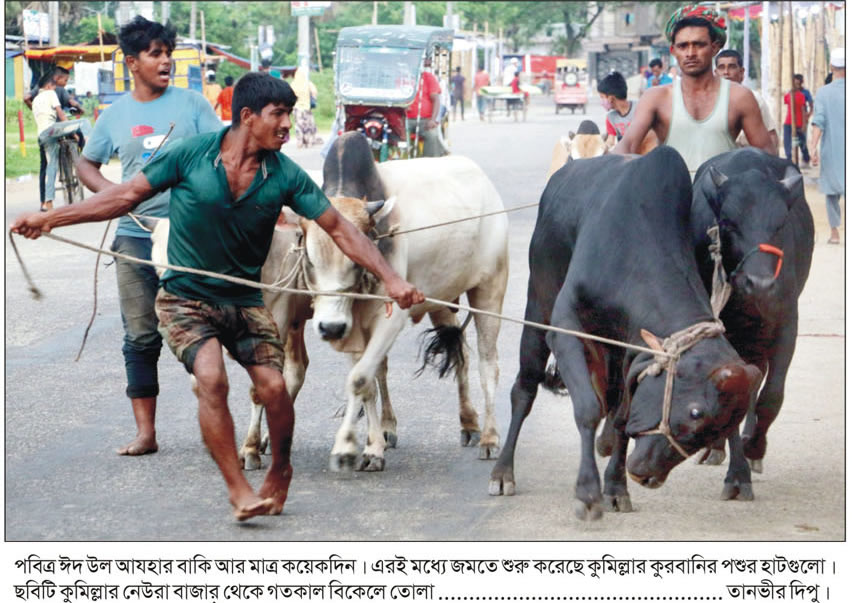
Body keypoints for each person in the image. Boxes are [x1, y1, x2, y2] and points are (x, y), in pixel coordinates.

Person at [12, 72, 425, 522]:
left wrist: (391, 278)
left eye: (289, 113)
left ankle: (280, 470)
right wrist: (51, 220)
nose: (288, 124)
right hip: (185, 298)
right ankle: (239, 491)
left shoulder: (284, 174)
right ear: (247, 117)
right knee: (212, 379)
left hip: (245, 300)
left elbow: (341, 229)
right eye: (279, 115)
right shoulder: (191, 155)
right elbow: (125, 196)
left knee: (274, 387)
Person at [75, 16, 222, 457]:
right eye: (155, 54)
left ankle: (220, 424)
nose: (165, 62)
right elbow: (87, 164)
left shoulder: (194, 104)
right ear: (132, 62)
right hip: (134, 236)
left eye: (167, 54)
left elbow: (225, 152)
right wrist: (117, 196)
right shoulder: (115, 115)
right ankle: (146, 434)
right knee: (140, 335)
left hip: (190, 237)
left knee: (204, 329)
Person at [613, 5, 772, 176]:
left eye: (698, 45)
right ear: (673, 51)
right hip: (671, 197)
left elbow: (766, 153)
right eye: (683, 46)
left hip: (723, 199)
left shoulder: (739, 97)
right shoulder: (656, 98)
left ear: (714, 48)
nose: (690, 53)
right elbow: (628, 145)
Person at [25, 66, 86, 210]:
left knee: (47, 166)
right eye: (65, 80)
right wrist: (75, 132)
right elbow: (68, 108)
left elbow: (26, 98)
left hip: (42, 134)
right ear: (56, 80)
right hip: (56, 129)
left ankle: (45, 201)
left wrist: (35, 108)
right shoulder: (54, 91)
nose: (65, 83)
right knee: (81, 127)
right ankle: (85, 159)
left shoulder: (37, 92)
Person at [810, 48, 845, 245]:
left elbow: (819, 122)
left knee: (832, 194)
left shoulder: (823, 93)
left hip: (832, 150)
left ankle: (834, 233)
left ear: (831, 67)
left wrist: (813, 147)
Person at [714, 48, 779, 153]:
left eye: (732, 67)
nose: (726, 72)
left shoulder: (755, 99)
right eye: (721, 68)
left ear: (741, 72)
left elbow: (771, 138)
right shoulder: (708, 102)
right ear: (716, 73)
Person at [406, 56, 443, 157]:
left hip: (424, 120)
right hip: (404, 119)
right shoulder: (402, 78)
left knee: (432, 136)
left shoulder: (428, 77)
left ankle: (429, 162)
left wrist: (432, 119)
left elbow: (436, 99)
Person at [783, 74, 812, 166]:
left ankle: (806, 158)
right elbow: (787, 103)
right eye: (794, 83)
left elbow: (805, 109)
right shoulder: (788, 95)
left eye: (798, 83)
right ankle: (789, 159)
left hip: (799, 122)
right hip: (788, 122)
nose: (796, 86)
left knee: (801, 141)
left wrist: (805, 121)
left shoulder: (803, 94)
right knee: (787, 141)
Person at [290, 66, 319, 148]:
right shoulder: (308, 83)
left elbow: (290, 96)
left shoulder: (293, 84)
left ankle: (300, 142)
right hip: (307, 108)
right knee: (308, 125)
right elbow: (314, 92)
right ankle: (309, 141)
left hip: (297, 108)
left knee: (299, 125)